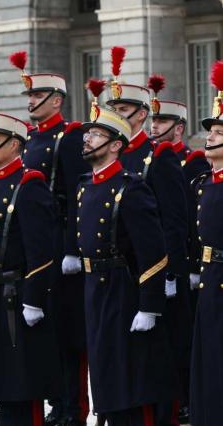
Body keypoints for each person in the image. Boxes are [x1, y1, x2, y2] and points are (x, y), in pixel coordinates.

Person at [77, 103, 177, 425]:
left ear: (116, 144)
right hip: (94, 290)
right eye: (88, 133)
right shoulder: (86, 187)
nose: (88, 139)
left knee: (128, 383)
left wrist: (149, 305)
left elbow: (153, 252)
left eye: (96, 134)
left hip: (121, 291)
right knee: (104, 377)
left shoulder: (129, 188)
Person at [8, 51, 91, 426]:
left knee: (66, 327)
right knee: (43, 327)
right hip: (35, 239)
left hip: (59, 238)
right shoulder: (31, 139)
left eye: (37, 97)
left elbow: (76, 192)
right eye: (29, 96)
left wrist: (73, 247)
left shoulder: (68, 138)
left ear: (56, 100)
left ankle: (73, 406)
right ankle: (55, 401)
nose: (30, 102)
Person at [107, 49, 188, 423]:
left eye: (122, 111)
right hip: (116, 276)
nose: (114, 117)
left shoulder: (159, 157)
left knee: (155, 360)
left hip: (149, 271)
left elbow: (173, 222)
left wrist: (168, 274)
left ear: (141, 115)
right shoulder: (111, 156)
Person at [0, 106, 60, 425]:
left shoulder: (29, 184)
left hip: (16, 295)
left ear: (13, 144)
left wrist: (33, 299)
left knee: (21, 383)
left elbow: (42, 251)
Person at [147, 77, 202, 423]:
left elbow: (188, 218)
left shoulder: (192, 161)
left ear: (178, 128)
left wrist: (190, 265)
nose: (155, 127)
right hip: (165, 260)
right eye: (152, 121)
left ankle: (186, 396)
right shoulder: (153, 160)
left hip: (184, 262)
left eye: (162, 121)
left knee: (184, 333)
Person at [189, 60, 223, 426]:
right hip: (211, 277)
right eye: (211, 131)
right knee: (209, 361)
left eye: (218, 131)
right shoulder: (203, 183)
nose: (211, 136)